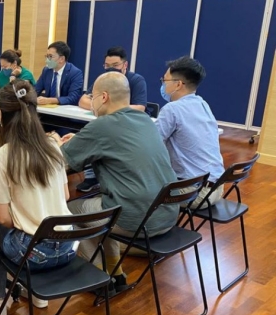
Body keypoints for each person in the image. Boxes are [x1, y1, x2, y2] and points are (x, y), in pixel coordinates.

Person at [57, 72, 178, 292]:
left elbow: (60, 160)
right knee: (105, 204)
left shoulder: (102, 126)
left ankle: (98, 276)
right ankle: (114, 272)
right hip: (167, 213)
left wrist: (55, 141)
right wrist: (82, 140)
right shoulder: (146, 120)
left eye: (92, 96)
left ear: (103, 97)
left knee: (70, 209)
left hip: (136, 220)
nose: (91, 101)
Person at [0, 80, 76, 315]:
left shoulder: (4, 155)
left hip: (35, 255)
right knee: (30, 232)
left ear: (0, 116)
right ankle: (38, 296)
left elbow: (3, 219)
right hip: (68, 247)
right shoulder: (52, 146)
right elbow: (65, 195)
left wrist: (25, 219)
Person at [76, 46, 149, 192]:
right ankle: (91, 176)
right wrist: (104, 105)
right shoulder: (104, 80)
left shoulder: (136, 80)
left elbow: (140, 107)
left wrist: (107, 106)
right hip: (105, 124)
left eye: (115, 65)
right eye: (107, 65)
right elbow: (83, 100)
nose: (111, 69)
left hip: (126, 126)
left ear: (125, 65)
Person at [156, 56, 225, 208]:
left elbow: (152, 145)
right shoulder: (202, 104)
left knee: (137, 190)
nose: (162, 84)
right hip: (216, 188)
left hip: (193, 193)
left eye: (164, 80)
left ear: (178, 84)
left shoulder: (172, 109)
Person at [34, 41, 83, 107]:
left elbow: (73, 98)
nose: (47, 60)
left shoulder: (75, 73)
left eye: (50, 56)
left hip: (65, 110)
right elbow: (35, 90)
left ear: (61, 59)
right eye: (46, 56)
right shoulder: (46, 71)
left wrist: (50, 100)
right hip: (48, 110)